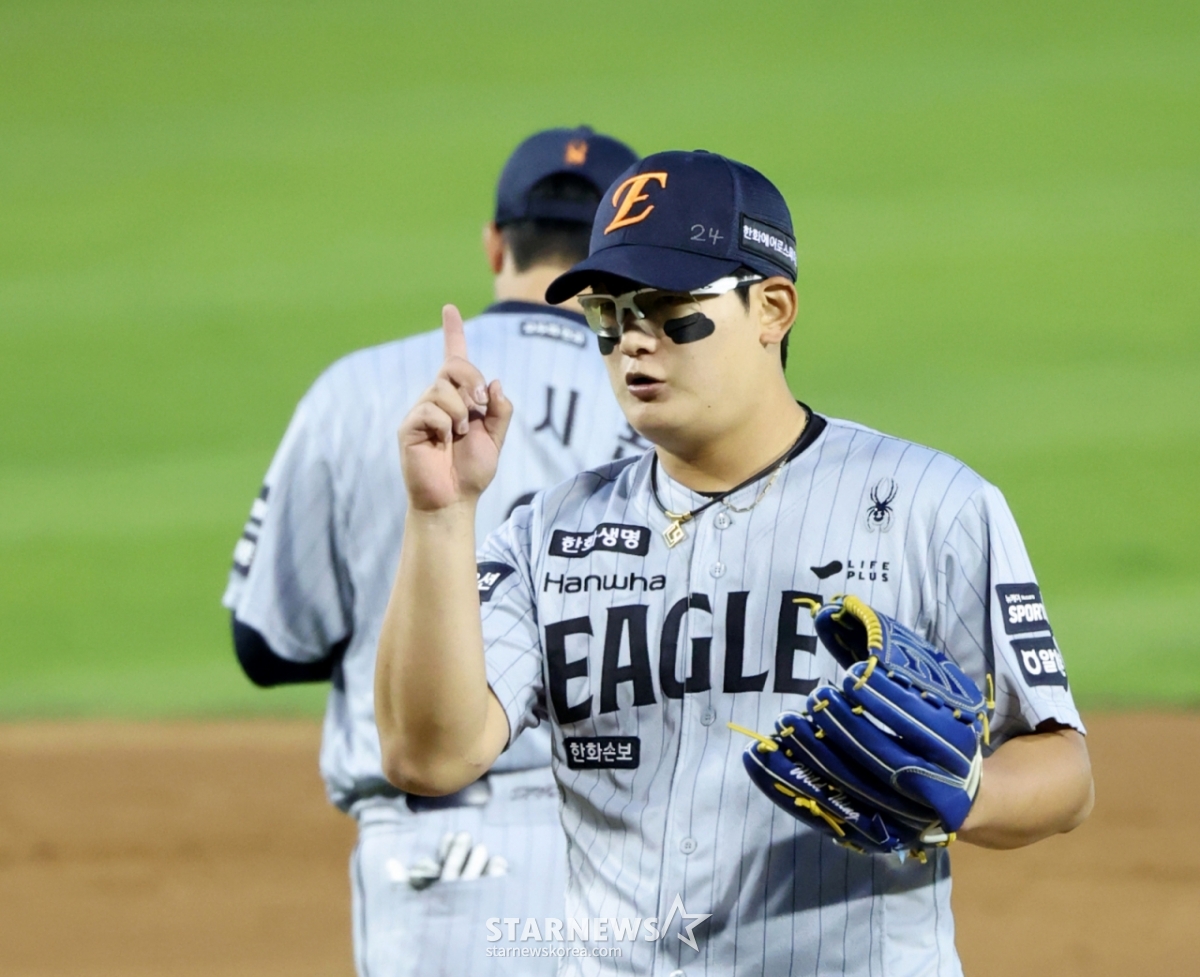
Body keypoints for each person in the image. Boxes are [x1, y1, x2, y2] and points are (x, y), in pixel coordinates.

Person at [375, 149, 1095, 975]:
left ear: (773, 307)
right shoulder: (550, 532)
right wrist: (440, 514)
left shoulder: (930, 504)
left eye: (670, 308)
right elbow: (429, 756)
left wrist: (970, 796)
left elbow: (1065, 769)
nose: (633, 341)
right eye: (610, 314)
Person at [221, 126, 643, 977]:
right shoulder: (666, 408)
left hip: (447, 859)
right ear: (627, 263)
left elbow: (267, 645)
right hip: (638, 854)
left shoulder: (359, 389)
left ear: (495, 243)